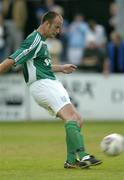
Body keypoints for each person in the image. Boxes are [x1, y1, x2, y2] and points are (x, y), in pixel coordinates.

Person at [0, 11, 102, 169]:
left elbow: (42, 65)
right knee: (71, 118)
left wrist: (61, 67)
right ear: (46, 24)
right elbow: (12, 59)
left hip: (49, 82)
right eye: (57, 27)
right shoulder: (34, 40)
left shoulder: (41, 41)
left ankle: (71, 160)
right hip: (42, 84)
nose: (59, 31)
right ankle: (83, 155)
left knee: (77, 119)